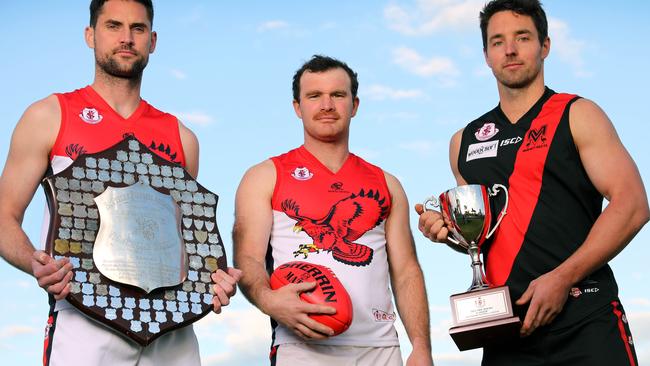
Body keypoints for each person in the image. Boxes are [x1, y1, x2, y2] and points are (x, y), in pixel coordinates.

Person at [0, 1, 241, 365]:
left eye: (138, 29)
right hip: (86, 316)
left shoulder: (181, 137)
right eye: (113, 26)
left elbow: (188, 239)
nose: (126, 38)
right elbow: (4, 216)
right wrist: (37, 264)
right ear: (90, 35)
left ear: (153, 40)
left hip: (171, 328)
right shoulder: (50, 115)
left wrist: (214, 279)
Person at [415, 0, 649, 365]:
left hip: (584, 317)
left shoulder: (578, 114)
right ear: (486, 55)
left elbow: (633, 205)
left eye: (522, 37)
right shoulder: (465, 141)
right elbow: (485, 237)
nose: (509, 49)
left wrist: (562, 278)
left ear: (545, 46)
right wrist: (449, 233)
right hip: (506, 330)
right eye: (497, 41)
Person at [234, 55, 433, 366]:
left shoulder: (387, 183)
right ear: (297, 108)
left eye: (337, 95)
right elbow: (247, 258)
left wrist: (421, 346)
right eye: (314, 96)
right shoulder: (265, 175)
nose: (326, 105)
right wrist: (269, 300)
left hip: (380, 349)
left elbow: (407, 271)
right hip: (302, 347)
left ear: (354, 105)